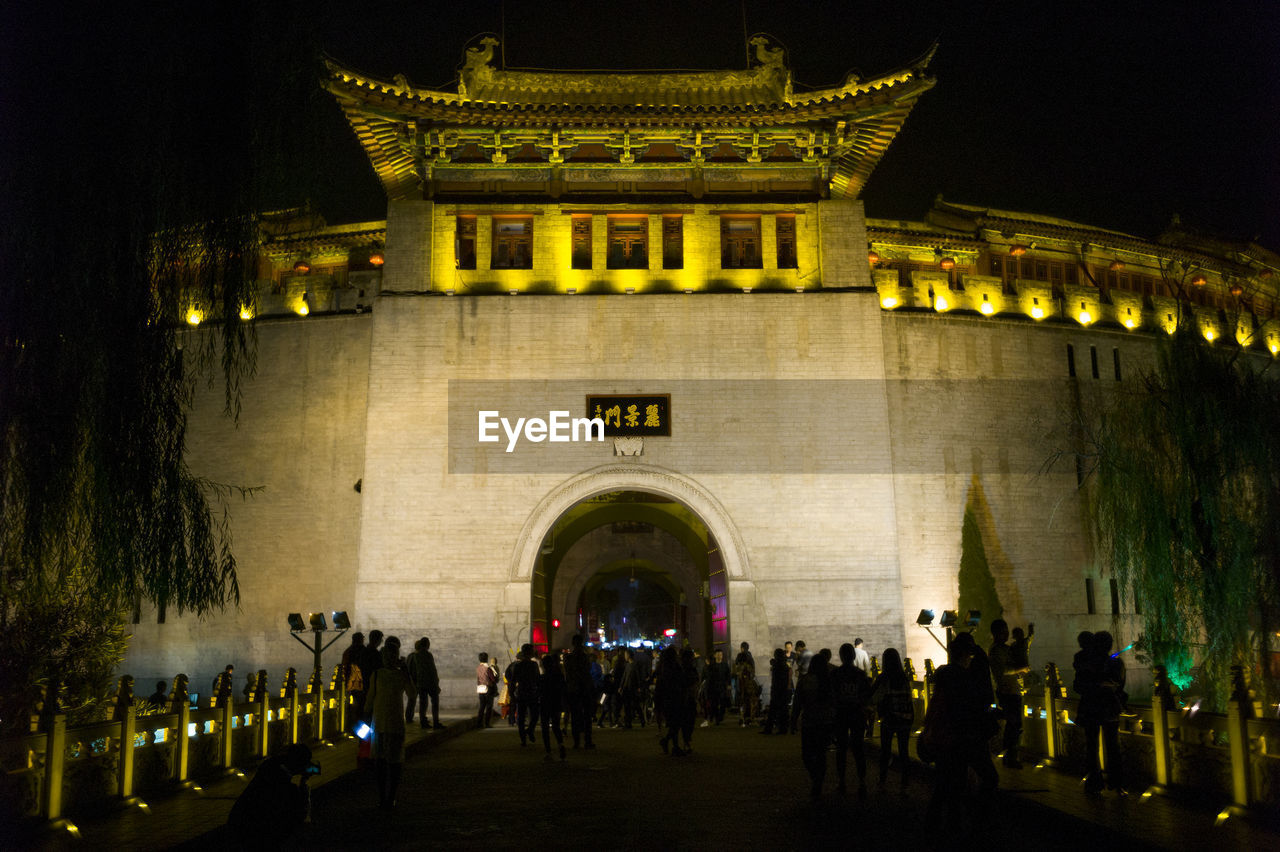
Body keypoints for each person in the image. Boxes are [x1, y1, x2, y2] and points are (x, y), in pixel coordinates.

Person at [924, 632, 997, 832]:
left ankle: (942, 824)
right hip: (964, 737)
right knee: (984, 778)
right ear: (967, 654)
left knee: (947, 783)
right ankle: (974, 819)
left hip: (945, 737)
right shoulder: (963, 678)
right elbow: (970, 707)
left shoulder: (945, 676)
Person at [227, 742, 315, 849]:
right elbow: (297, 813)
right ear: (297, 763)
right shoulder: (280, 780)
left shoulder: (272, 766)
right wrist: (303, 789)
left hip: (242, 824)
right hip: (255, 831)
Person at [1075, 630, 1127, 794]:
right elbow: (1119, 684)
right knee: (1112, 746)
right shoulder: (1115, 663)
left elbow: (1078, 686)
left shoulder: (1088, 664)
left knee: (1093, 746)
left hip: (1092, 708)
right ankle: (1116, 783)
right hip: (1108, 708)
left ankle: (1095, 782)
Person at [365, 644, 411, 808]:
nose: (388, 660)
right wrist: (364, 715)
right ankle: (382, 796)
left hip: (395, 724)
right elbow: (371, 698)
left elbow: (412, 694)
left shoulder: (401, 675)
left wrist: (406, 672)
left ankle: (391, 796)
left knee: (394, 762)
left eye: (392, 656)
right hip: (378, 725)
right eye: (385, 657)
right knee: (380, 762)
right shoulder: (377, 675)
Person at [792, 648, 836, 800]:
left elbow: (798, 702)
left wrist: (793, 720)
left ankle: (816, 779)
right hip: (825, 722)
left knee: (807, 754)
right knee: (821, 753)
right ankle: (819, 780)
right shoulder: (829, 682)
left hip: (809, 722)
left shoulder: (805, 680)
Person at [869, 647, 914, 790]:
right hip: (905, 718)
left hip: (889, 718)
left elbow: (872, 695)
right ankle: (905, 783)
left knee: (885, 751)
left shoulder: (883, 677)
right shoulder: (904, 677)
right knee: (904, 751)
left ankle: (882, 781)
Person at [831, 643, 871, 798]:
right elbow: (865, 696)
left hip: (841, 714)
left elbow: (832, 696)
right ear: (853, 656)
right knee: (858, 749)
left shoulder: (835, 674)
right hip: (856, 714)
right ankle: (862, 782)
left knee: (841, 749)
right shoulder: (860, 675)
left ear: (841, 656)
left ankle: (842, 781)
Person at [988, 619, 1029, 767]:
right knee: (1013, 724)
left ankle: (1011, 756)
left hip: (1014, 690)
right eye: (1003, 632)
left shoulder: (1005, 648)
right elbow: (1004, 671)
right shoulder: (996, 650)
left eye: (1006, 631)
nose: (1006, 634)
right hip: (1007, 691)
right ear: (996, 633)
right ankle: (1010, 757)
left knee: (1014, 725)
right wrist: (1021, 669)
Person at [563, 634, 596, 750]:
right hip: (584, 689)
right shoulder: (585, 657)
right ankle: (587, 740)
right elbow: (587, 671)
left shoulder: (568, 657)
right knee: (587, 716)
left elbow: (567, 673)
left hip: (573, 689)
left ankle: (577, 742)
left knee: (575, 716)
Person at [655, 645, 686, 755]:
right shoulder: (675, 667)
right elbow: (681, 681)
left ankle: (673, 745)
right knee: (676, 723)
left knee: (673, 723)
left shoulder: (662, 668)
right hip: (675, 698)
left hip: (666, 699)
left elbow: (659, 685)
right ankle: (670, 743)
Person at [407, 637, 441, 729]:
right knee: (435, 702)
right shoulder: (427, 654)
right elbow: (432, 670)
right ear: (426, 644)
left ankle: (423, 721)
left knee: (423, 703)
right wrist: (436, 682)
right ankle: (436, 722)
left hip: (420, 683)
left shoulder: (415, 655)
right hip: (430, 682)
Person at [539, 651, 567, 761]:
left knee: (545, 728)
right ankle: (560, 744)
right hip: (556, 703)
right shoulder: (559, 676)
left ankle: (548, 752)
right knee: (556, 726)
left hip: (545, 704)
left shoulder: (543, 678)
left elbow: (539, 692)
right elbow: (563, 689)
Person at [513, 644, 541, 746]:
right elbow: (538, 679)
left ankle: (524, 738)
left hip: (522, 692)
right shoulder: (533, 665)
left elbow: (513, 680)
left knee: (521, 717)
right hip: (531, 692)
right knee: (534, 715)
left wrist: (512, 693)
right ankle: (529, 731)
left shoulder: (518, 665)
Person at [761, 648, 790, 735]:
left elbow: (777, 679)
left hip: (777, 691)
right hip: (783, 691)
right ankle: (782, 729)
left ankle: (769, 729)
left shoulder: (778, 665)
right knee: (782, 711)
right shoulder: (785, 665)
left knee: (773, 711)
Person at [342, 632, 367, 726]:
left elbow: (344, 668)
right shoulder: (364, 652)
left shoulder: (347, 651)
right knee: (360, 707)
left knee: (351, 706)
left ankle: (351, 726)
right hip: (362, 684)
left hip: (350, 684)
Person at [733, 642, 760, 727]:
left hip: (742, 683)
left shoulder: (740, 656)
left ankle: (742, 718)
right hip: (749, 683)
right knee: (751, 700)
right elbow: (753, 671)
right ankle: (750, 718)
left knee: (742, 700)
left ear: (742, 648)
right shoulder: (750, 657)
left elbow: (736, 670)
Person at [702, 649, 730, 727]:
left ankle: (720, 716)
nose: (720, 656)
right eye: (718, 654)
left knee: (723, 703)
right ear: (714, 655)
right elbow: (707, 676)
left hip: (722, 687)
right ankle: (717, 718)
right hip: (714, 687)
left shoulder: (725, 665)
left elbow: (728, 675)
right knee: (715, 704)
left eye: (721, 654)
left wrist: (728, 684)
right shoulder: (712, 665)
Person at [476, 652, 498, 727]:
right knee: (489, 707)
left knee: (482, 706)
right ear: (486, 659)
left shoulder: (478, 668)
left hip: (480, 688)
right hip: (488, 688)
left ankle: (479, 723)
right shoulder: (488, 668)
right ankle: (487, 723)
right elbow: (493, 679)